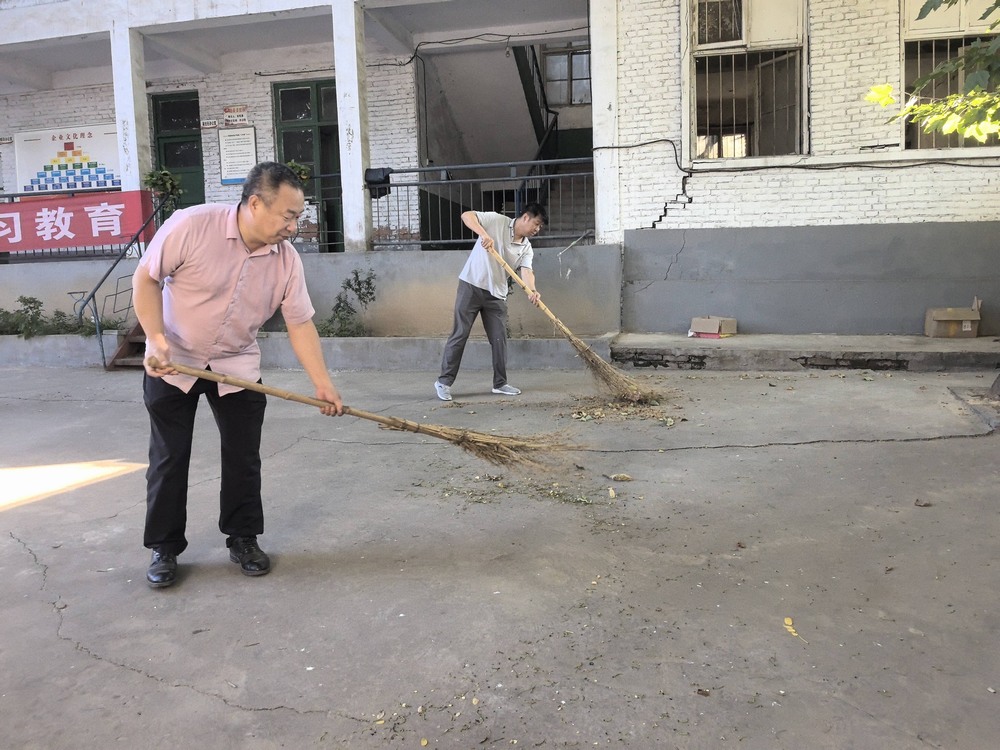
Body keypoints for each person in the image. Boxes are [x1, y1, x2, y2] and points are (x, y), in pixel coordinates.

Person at [132, 161, 344, 589]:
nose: (293, 227)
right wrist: (155, 338)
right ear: (254, 204)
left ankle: (243, 538)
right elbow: (146, 278)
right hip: (175, 360)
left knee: (243, 456)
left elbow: (300, 322)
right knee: (170, 456)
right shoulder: (191, 226)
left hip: (236, 363)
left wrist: (322, 384)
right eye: (288, 216)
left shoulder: (286, 261)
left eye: (298, 217)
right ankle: (165, 547)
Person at [435, 203, 547, 401]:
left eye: (540, 228)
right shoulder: (497, 220)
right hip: (471, 284)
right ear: (526, 217)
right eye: (536, 224)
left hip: (496, 294)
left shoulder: (526, 248)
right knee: (460, 334)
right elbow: (466, 215)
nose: (537, 230)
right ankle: (443, 382)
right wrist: (483, 234)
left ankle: (500, 383)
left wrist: (533, 290)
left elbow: (527, 271)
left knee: (499, 338)